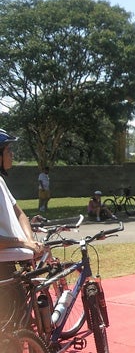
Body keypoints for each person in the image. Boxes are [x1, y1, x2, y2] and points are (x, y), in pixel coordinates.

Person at [0, 129, 43, 328]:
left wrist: (30, 240)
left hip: (9, 265)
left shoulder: (1, 182)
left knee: (22, 323)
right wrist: (23, 242)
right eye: (8, 149)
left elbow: (20, 213)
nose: (12, 154)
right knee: (11, 332)